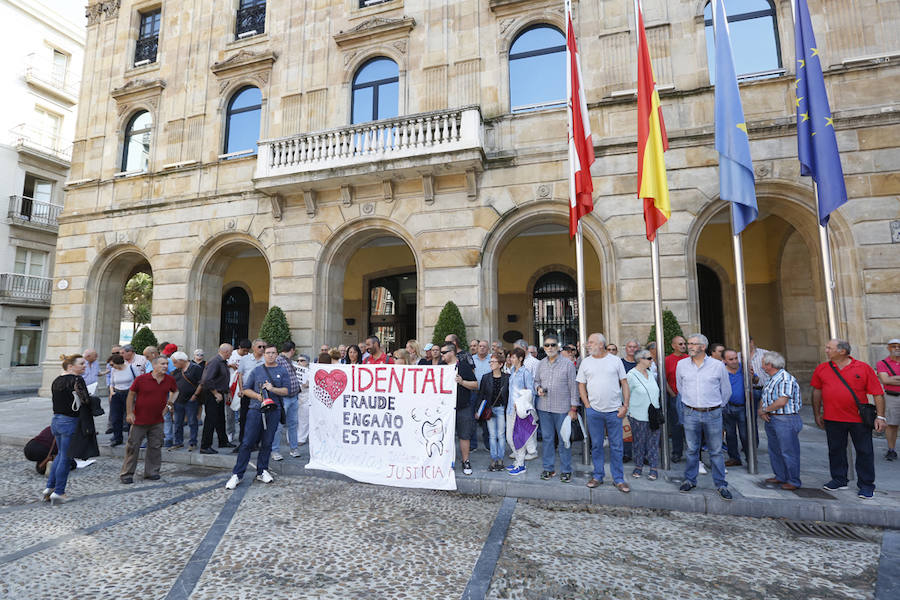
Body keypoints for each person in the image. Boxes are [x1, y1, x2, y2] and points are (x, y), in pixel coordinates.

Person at [811, 339, 886, 499]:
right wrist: (817, 413)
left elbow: (877, 393)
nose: (826, 350)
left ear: (842, 351)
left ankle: (866, 485)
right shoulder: (822, 368)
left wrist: (880, 416)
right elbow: (817, 391)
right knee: (835, 449)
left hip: (858, 419)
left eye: (829, 348)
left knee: (864, 451)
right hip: (832, 418)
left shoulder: (863, 368)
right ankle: (839, 479)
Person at [226, 344, 291, 489]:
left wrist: (272, 389)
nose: (270, 355)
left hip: (274, 411)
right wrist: (258, 396)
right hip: (255, 410)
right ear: (264, 355)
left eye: (273, 353)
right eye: (268, 353)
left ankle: (262, 470)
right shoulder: (256, 371)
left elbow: (286, 391)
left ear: (277, 354)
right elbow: (246, 390)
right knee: (247, 442)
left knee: (267, 442)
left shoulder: (282, 370)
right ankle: (237, 474)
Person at [676, 333, 732, 500]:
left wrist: (717, 407)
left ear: (703, 347)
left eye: (694, 344)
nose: (690, 346)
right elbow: (681, 387)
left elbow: (726, 390)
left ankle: (721, 484)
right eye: (689, 343)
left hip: (713, 413)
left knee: (716, 451)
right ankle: (690, 480)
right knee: (692, 449)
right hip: (691, 412)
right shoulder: (682, 365)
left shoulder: (717, 366)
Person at [577, 333, 630, 493]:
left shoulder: (615, 361)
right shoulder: (586, 362)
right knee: (597, 446)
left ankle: (618, 479)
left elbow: (624, 383)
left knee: (617, 446)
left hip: (614, 411)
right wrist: (587, 405)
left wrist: (625, 405)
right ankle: (598, 475)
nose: (588, 345)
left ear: (601, 344)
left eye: (591, 342)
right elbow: (581, 384)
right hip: (594, 412)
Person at [120, 357, 177, 484]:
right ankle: (127, 474)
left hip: (158, 420)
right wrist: (129, 413)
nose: (166, 366)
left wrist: (169, 404)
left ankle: (152, 472)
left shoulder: (169, 380)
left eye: (167, 364)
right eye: (162, 363)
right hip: (139, 420)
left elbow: (175, 391)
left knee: (155, 447)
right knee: (132, 447)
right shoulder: (141, 379)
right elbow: (131, 395)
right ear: (154, 365)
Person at [42, 354, 91, 504]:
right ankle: (59, 492)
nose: (84, 366)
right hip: (69, 421)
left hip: (56, 420)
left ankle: (50, 488)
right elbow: (86, 400)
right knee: (65, 457)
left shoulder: (57, 380)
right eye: (81, 363)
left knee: (61, 455)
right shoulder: (76, 379)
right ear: (71, 366)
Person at [534, 335, 579, 483]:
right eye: (547, 345)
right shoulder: (540, 364)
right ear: (544, 347)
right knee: (547, 439)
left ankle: (566, 470)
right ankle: (548, 468)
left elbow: (574, 387)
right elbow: (536, 381)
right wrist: (538, 388)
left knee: (564, 439)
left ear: (558, 347)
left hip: (562, 408)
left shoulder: (567, 364)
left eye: (553, 345)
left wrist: (574, 408)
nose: (550, 348)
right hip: (544, 407)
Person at [758, 351, 803, 490]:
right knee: (775, 450)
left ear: (769, 365)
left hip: (786, 419)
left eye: (763, 363)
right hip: (773, 418)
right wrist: (763, 410)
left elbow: (782, 401)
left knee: (789, 451)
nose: (761, 366)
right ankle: (780, 476)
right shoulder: (771, 378)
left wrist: (765, 410)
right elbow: (765, 396)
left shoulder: (784, 378)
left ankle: (793, 480)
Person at [442, 342, 478, 475]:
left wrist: (462, 382)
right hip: (445, 409)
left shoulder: (463, 366)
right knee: (446, 436)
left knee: (464, 435)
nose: (442, 355)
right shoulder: (441, 367)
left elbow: (475, 385)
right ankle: (445, 461)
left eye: (444, 352)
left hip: (463, 407)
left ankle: (465, 461)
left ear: (452, 352)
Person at [627, 349, 660, 481]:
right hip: (637, 414)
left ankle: (653, 468)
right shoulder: (631, 375)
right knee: (639, 442)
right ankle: (638, 466)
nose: (652, 361)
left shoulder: (651, 373)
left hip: (654, 414)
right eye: (649, 358)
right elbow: (624, 394)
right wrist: (628, 411)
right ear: (640, 359)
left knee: (653, 442)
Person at [199, 344, 237, 454]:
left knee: (220, 418)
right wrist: (216, 393)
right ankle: (205, 446)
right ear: (226, 352)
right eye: (230, 352)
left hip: (219, 392)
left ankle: (223, 441)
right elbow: (207, 380)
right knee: (210, 420)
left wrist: (227, 392)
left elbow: (222, 379)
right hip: (212, 394)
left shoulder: (222, 362)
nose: (231, 354)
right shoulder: (215, 362)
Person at [476, 353, 509, 471]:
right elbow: (481, 395)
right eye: (490, 362)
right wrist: (478, 410)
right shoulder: (486, 377)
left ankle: (500, 459)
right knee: (492, 435)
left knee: (501, 435)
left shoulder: (507, 378)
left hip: (501, 409)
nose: (490, 363)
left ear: (500, 364)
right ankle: (494, 459)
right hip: (489, 409)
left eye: (493, 362)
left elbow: (509, 395)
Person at [506, 347, 536, 475]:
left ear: (520, 358)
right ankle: (518, 461)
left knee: (517, 438)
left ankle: (520, 464)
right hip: (510, 409)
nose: (511, 359)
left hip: (520, 411)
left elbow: (531, 392)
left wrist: (521, 404)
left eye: (513, 357)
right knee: (509, 437)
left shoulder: (525, 372)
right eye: (510, 357)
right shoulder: (512, 371)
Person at [270, 341, 302, 461]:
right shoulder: (279, 360)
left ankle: (294, 448)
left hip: (293, 397)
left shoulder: (288, 361)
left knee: (293, 424)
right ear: (292, 350)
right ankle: (275, 450)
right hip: (283, 398)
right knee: (278, 425)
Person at [723, 348, 752, 467]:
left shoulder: (743, 368)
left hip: (741, 407)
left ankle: (750, 459)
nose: (735, 361)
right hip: (727, 407)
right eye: (731, 359)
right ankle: (734, 458)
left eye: (736, 358)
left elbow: (755, 380)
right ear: (724, 360)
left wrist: (751, 376)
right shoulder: (721, 371)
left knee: (745, 434)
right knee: (730, 434)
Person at [170, 351, 204, 451]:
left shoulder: (195, 368)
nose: (174, 364)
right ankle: (178, 442)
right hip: (178, 400)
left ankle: (193, 442)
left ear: (181, 361)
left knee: (193, 422)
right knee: (177, 422)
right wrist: (171, 401)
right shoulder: (176, 371)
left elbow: (201, 383)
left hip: (191, 400)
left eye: (175, 362)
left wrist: (195, 395)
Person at [236, 339, 266, 447]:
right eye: (259, 347)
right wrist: (241, 390)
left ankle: (256, 442)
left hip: (261, 394)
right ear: (253, 348)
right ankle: (242, 442)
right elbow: (240, 374)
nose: (262, 349)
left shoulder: (266, 359)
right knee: (244, 417)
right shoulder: (245, 359)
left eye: (263, 347)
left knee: (259, 418)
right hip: (247, 392)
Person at [664, 335, 688, 462]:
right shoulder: (668, 360)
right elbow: (664, 379)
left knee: (690, 425)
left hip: (690, 397)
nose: (683, 346)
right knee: (677, 425)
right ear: (673, 346)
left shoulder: (689, 358)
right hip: (675, 396)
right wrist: (672, 394)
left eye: (684, 344)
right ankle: (677, 452)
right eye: (680, 344)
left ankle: (692, 452)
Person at [107, 354, 139, 447]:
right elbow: (111, 383)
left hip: (129, 394)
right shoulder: (114, 370)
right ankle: (117, 438)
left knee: (130, 416)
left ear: (118, 363)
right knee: (115, 417)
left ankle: (131, 438)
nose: (111, 367)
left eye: (112, 364)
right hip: (117, 394)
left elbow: (138, 381)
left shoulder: (131, 368)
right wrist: (112, 392)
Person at [876, 338, 900, 461]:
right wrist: (890, 379)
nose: (897, 348)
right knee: (891, 424)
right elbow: (885, 380)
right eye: (893, 346)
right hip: (892, 397)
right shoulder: (882, 363)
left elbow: (888, 379)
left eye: (899, 346)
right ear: (888, 348)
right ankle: (891, 450)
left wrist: (893, 378)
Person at [470, 340, 492, 452]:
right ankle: (473, 445)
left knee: (487, 418)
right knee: (472, 418)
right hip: (474, 392)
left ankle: (488, 445)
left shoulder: (492, 359)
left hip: (487, 394)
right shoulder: (471, 359)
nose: (482, 348)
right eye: (480, 346)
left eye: (484, 346)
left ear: (488, 349)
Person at [295, 353, 311, 447]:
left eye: (302, 360)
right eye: (298, 360)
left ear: (307, 362)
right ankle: (292, 438)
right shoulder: (294, 371)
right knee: (294, 419)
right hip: (295, 397)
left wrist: (307, 384)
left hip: (306, 398)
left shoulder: (310, 372)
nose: (299, 362)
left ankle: (301, 438)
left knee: (304, 419)